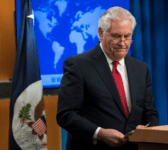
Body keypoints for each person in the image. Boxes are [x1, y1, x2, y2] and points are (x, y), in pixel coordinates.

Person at [56, 6, 159, 150]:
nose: (122, 42)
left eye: (127, 36)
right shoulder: (78, 65)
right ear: (101, 33)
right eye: (116, 36)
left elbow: (150, 112)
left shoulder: (141, 68)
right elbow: (65, 115)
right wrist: (99, 133)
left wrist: (147, 129)